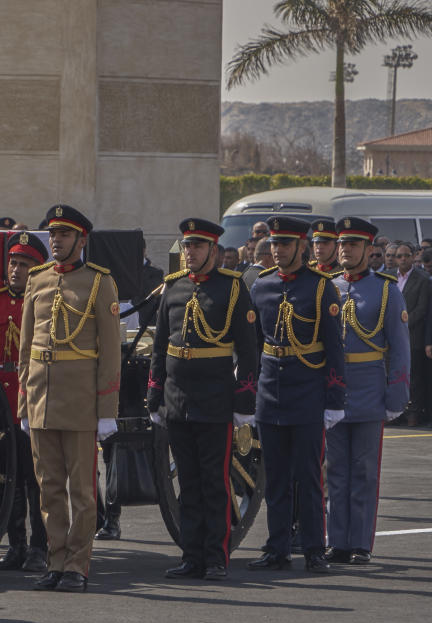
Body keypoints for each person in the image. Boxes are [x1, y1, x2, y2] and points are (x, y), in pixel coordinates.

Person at [18, 204, 122, 593]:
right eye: (53, 234)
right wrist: (24, 404)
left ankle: (78, 564)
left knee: (80, 490)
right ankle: (56, 561)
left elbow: (110, 352)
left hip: (80, 401)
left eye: (64, 235)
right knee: (49, 488)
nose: (56, 241)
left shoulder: (99, 282)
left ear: (81, 239)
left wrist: (107, 409)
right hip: (42, 396)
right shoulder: (38, 279)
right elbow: (27, 345)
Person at [148, 218, 258, 580]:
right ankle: (191, 555)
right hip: (178, 400)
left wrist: (243, 403)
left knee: (213, 482)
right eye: (186, 246)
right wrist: (155, 396)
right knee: (189, 485)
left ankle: (215, 557)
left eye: (196, 246)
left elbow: (248, 349)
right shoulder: (174, 289)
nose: (189, 252)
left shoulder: (233, 288)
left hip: (214, 401)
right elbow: (160, 346)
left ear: (214, 250)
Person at [247, 216, 345, 574]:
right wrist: (249, 390)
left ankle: (315, 549)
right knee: (274, 477)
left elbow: (334, 346)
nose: (278, 250)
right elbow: (254, 344)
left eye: (285, 244)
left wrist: (334, 398)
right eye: (274, 244)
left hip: (307, 392)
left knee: (308, 476)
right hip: (271, 392)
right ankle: (277, 547)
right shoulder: (262, 285)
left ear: (301, 246)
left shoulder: (320, 287)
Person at [328, 217, 410, 565]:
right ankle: (338, 541)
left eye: (354, 245)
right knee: (334, 470)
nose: (346, 250)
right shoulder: (328, 288)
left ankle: (360, 542)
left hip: (369, 390)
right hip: (333, 390)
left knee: (363, 470)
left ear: (368, 249)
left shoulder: (387, 289)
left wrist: (396, 395)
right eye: (343, 244)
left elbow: (400, 347)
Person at [0, 232, 49, 573]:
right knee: (5, 478)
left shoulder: (43, 302)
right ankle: (16, 546)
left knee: (35, 479)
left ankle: (39, 547)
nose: (16, 270)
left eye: (24, 264)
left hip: (31, 399)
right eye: (13, 262)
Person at [389, 242, 430, 426]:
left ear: (414, 257)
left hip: (411, 336)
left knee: (413, 378)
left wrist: (401, 324)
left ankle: (413, 414)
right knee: (392, 375)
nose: (403, 259)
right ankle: (394, 413)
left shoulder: (422, 279)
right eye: (399, 256)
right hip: (389, 337)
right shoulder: (388, 277)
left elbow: (421, 309)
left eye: (406, 255)